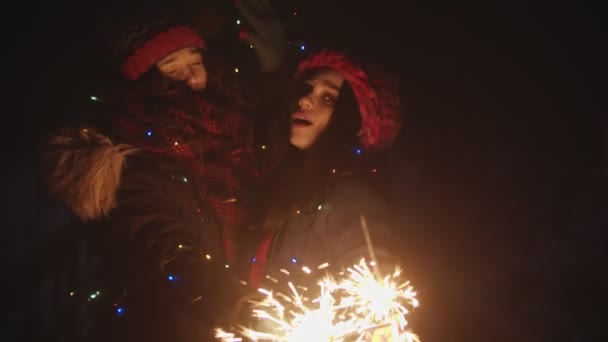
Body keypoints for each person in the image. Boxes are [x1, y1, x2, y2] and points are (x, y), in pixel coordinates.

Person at [39, 3, 285, 341]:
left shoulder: (232, 132)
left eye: (196, 63)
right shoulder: (132, 163)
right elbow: (164, 246)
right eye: (172, 69)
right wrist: (231, 301)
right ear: (143, 80)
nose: (191, 78)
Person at [246, 50, 403, 289]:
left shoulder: (352, 198)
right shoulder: (291, 183)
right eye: (306, 89)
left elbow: (377, 295)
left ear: (353, 119)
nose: (304, 100)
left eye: (328, 98)